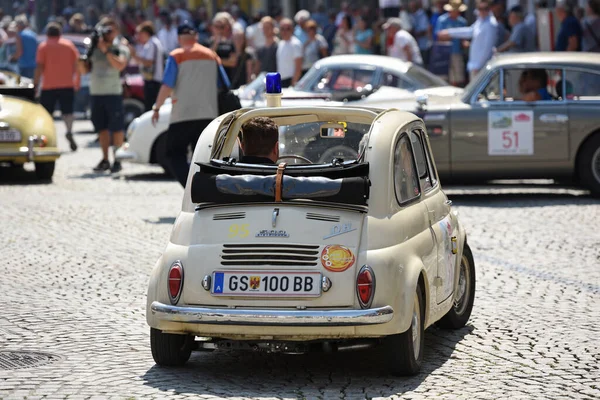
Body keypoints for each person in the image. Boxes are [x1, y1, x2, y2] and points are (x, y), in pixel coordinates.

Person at [151, 23, 230, 187]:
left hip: (183, 114)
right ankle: (204, 190)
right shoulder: (212, 55)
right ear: (196, 37)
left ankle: (191, 187)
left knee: (174, 154)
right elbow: (224, 84)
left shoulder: (176, 55)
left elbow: (167, 85)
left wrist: (157, 107)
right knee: (202, 156)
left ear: (179, 39)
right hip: (208, 114)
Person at [79, 17, 130, 173]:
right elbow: (84, 71)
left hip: (113, 93)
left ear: (117, 31)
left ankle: (118, 159)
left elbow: (119, 65)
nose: (108, 32)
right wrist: (80, 60)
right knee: (101, 128)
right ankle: (105, 159)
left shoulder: (120, 47)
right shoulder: (93, 47)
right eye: (105, 29)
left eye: (111, 29)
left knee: (117, 129)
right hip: (96, 93)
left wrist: (106, 50)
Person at [34, 22, 80, 151]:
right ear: (60, 33)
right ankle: (69, 130)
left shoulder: (43, 46)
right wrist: (77, 81)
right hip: (67, 84)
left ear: (47, 34)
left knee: (47, 113)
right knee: (68, 112)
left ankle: (49, 135)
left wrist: (36, 83)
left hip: (49, 85)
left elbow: (40, 67)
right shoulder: (69, 45)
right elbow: (77, 64)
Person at [438, 0, 497, 81]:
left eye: (485, 8)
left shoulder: (491, 24)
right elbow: (470, 31)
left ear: (490, 8)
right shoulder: (480, 21)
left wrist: (478, 66)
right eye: (480, 8)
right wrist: (449, 32)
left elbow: (487, 48)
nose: (482, 11)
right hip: (475, 65)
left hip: (481, 66)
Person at [129, 21, 164, 112]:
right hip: (151, 81)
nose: (138, 36)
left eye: (139, 33)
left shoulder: (152, 43)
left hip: (153, 82)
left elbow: (148, 62)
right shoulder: (149, 44)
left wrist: (134, 55)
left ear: (145, 33)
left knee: (150, 109)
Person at [435, 0, 467, 86]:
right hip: (444, 53)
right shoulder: (442, 20)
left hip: (457, 52)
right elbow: (439, 35)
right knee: (443, 77)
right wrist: (454, 35)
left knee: (457, 77)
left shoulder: (462, 22)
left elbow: (463, 38)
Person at [209, 12, 237, 83]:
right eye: (216, 26)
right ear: (212, 27)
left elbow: (233, 62)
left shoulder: (229, 43)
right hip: (211, 79)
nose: (219, 29)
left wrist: (217, 61)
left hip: (226, 80)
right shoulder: (206, 42)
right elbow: (208, 58)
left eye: (221, 27)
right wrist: (216, 43)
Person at [276, 18, 302, 88]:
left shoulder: (295, 44)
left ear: (292, 29)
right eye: (282, 29)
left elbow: (298, 67)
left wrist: (293, 83)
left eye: (288, 28)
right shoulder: (280, 43)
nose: (285, 31)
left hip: (291, 81)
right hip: (281, 80)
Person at [12, 14, 37, 79]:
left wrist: (12, 58)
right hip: (34, 66)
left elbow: (19, 52)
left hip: (24, 67)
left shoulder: (19, 35)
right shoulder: (33, 34)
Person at [409, 0, 432, 65]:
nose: (411, 8)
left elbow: (424, 31)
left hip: (423, 45)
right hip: (416, 46)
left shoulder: (422, 15)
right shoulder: (412, 15)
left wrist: (412, 35)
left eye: (412, 6)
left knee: (423, 66)